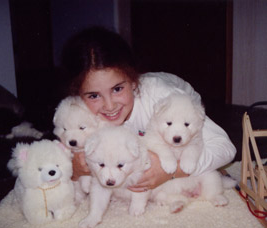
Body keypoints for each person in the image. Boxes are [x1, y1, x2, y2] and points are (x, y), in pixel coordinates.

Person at [61, 26, 236, 192]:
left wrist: (172, 171)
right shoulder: (77, 112)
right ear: (78, 97)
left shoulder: (163, 98)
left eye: (117, 89)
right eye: (93, 96)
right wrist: (74, 170)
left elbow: (225, 148)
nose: (109, 106)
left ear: (133, 80)